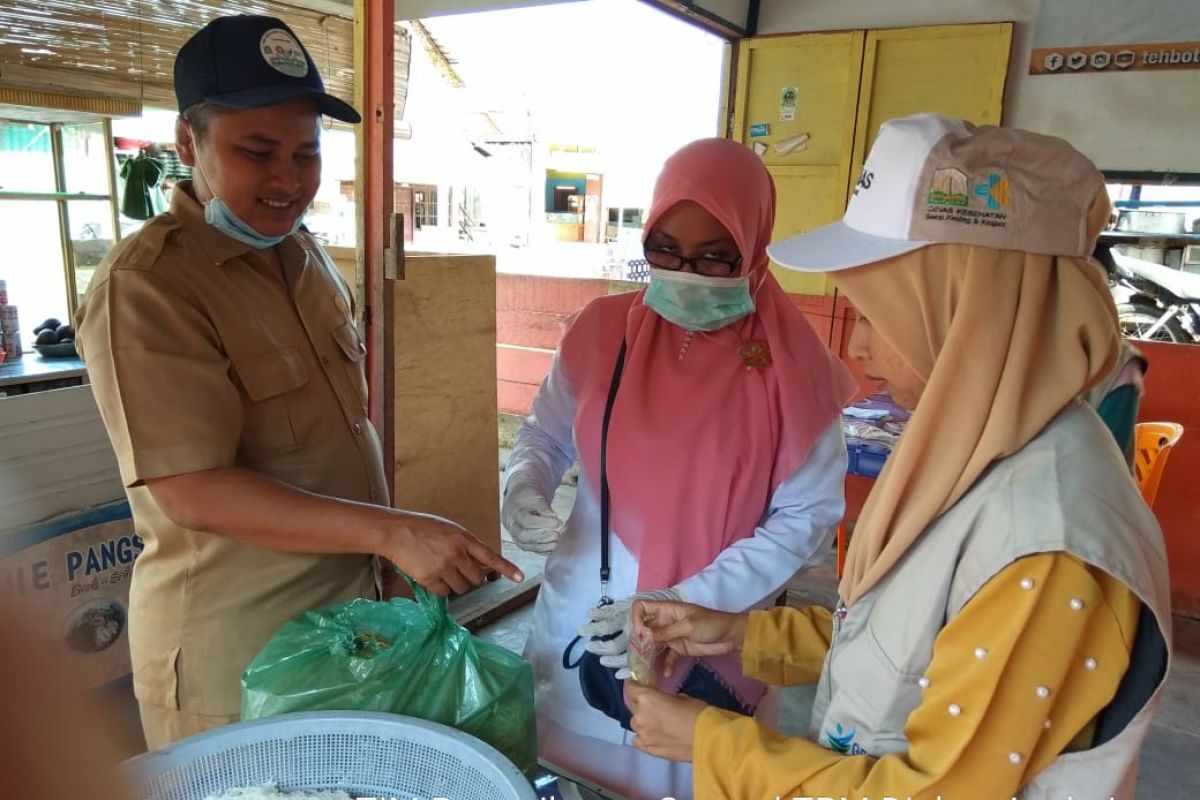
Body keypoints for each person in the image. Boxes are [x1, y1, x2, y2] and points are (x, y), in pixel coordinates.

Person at [625, 114, 1171, 799]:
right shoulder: (976, 455)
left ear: (970, 312)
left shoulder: (1047, 545)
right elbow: (906, 645)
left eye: (877, 316)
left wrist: (712, 743)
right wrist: (741, 632)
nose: (857, 350)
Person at [75, 15, 520, 750]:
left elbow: (337, 438)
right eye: (257, 153)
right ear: (190, 145)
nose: (289, 181)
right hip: (235, 665)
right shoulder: (149, 286)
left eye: (306, 153)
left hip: (343, 639)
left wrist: (381, 552)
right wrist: (390, 531)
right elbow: (190, 487)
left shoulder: (301, 257)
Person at [502, 137, 857, 799]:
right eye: (664, 250)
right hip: (582, 617)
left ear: (754, 248)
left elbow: (805, 516)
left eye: (716, 257)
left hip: (708, 635)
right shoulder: (600, 333)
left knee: (682, 776)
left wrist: (690, 600)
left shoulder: (792, 370)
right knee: (565, 775)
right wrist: (524, 485)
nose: (687, 274)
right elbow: (545, 435)